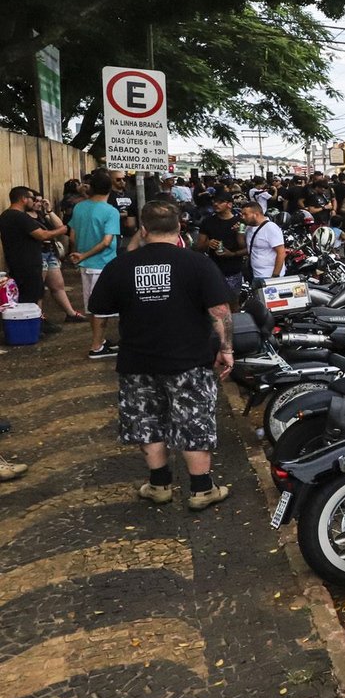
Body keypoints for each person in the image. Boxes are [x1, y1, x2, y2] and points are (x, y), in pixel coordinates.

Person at [88, 200, 234, 510]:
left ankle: (159, 485)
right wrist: (226, 349)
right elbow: (220, 311)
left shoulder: (121, 265)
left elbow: (99, 307)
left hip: (137, 360)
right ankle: (201, 490)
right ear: (179, 228)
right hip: (189, 360)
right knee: (194, 421)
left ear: (142, 229)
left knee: (146, 421)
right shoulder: (197, 263)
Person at [68, 170, 125, 359]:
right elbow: (107, 242)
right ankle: (96, 346)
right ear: (110, 188)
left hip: (85, 264)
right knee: (102, 308)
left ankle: (99, 341)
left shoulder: (79, 207)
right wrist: (84, 255)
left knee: (92, 306)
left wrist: (79, 254)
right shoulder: (111, 211)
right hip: (102, 264)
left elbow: (73, 236)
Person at [1, 187, 70, 335]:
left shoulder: (6, 215)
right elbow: (42, 235)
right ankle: (30, 329)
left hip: (19, 262)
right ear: (23, 199)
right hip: (27, 264)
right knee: (30, 297)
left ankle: (36, 324)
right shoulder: (20, 217)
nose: (33, 201)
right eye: (32, 198)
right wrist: (62, 230)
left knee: (33, 294)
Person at [31, 192, 89, 326]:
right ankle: (38, 318)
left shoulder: (41, 215)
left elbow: (60, 226)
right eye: (35, 200)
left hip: (49, 253)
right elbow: (58, 231)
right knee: (38, 289)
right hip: (37, 253)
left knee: (58, 285)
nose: (38, 203)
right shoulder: (25, 218)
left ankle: (70, 313)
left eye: (40, 201)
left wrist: (49, 210)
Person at [197, 194, 248, 302]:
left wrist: (239, 234)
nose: (215, 204)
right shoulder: (207, 222)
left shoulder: (240, 222)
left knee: (233, 302)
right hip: (213, 270)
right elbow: (199, 247)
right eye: (214, 201)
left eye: (220, 202)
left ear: (229, 204)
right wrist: (208, 244)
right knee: (215, 302)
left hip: (234, 270)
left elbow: (246, 248)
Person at [239, 200, 286, 283]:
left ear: (256, 214)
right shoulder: (249, 228)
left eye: (245, 214)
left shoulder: (270, 228)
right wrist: (239, 232)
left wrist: (275, 276)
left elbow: (281, 252)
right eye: (242, 214)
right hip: (255, 274)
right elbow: (244, 246)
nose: (243, 217)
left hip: (269, 275)